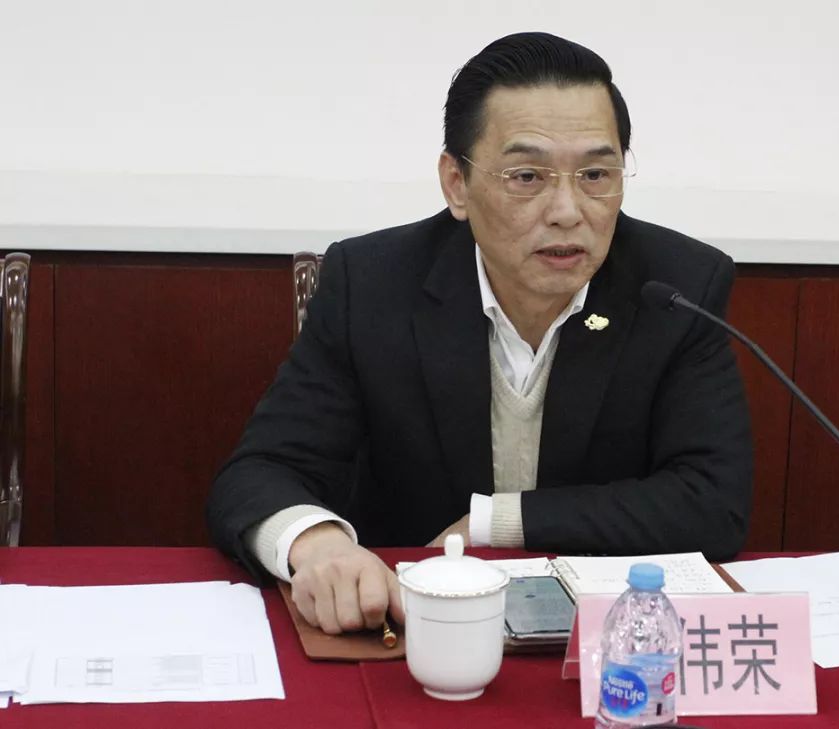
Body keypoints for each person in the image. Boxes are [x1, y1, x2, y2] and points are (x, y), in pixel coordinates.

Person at [207, 32, 753, 636]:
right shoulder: (373, 283)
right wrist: (317, 543)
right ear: (457, 184)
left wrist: (497, 523)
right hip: (414, 629)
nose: (568, 211)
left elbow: (712, 501)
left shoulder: (677, 286)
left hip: (604, 639)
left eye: (596, 174)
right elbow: (262, 470)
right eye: (527, 176)